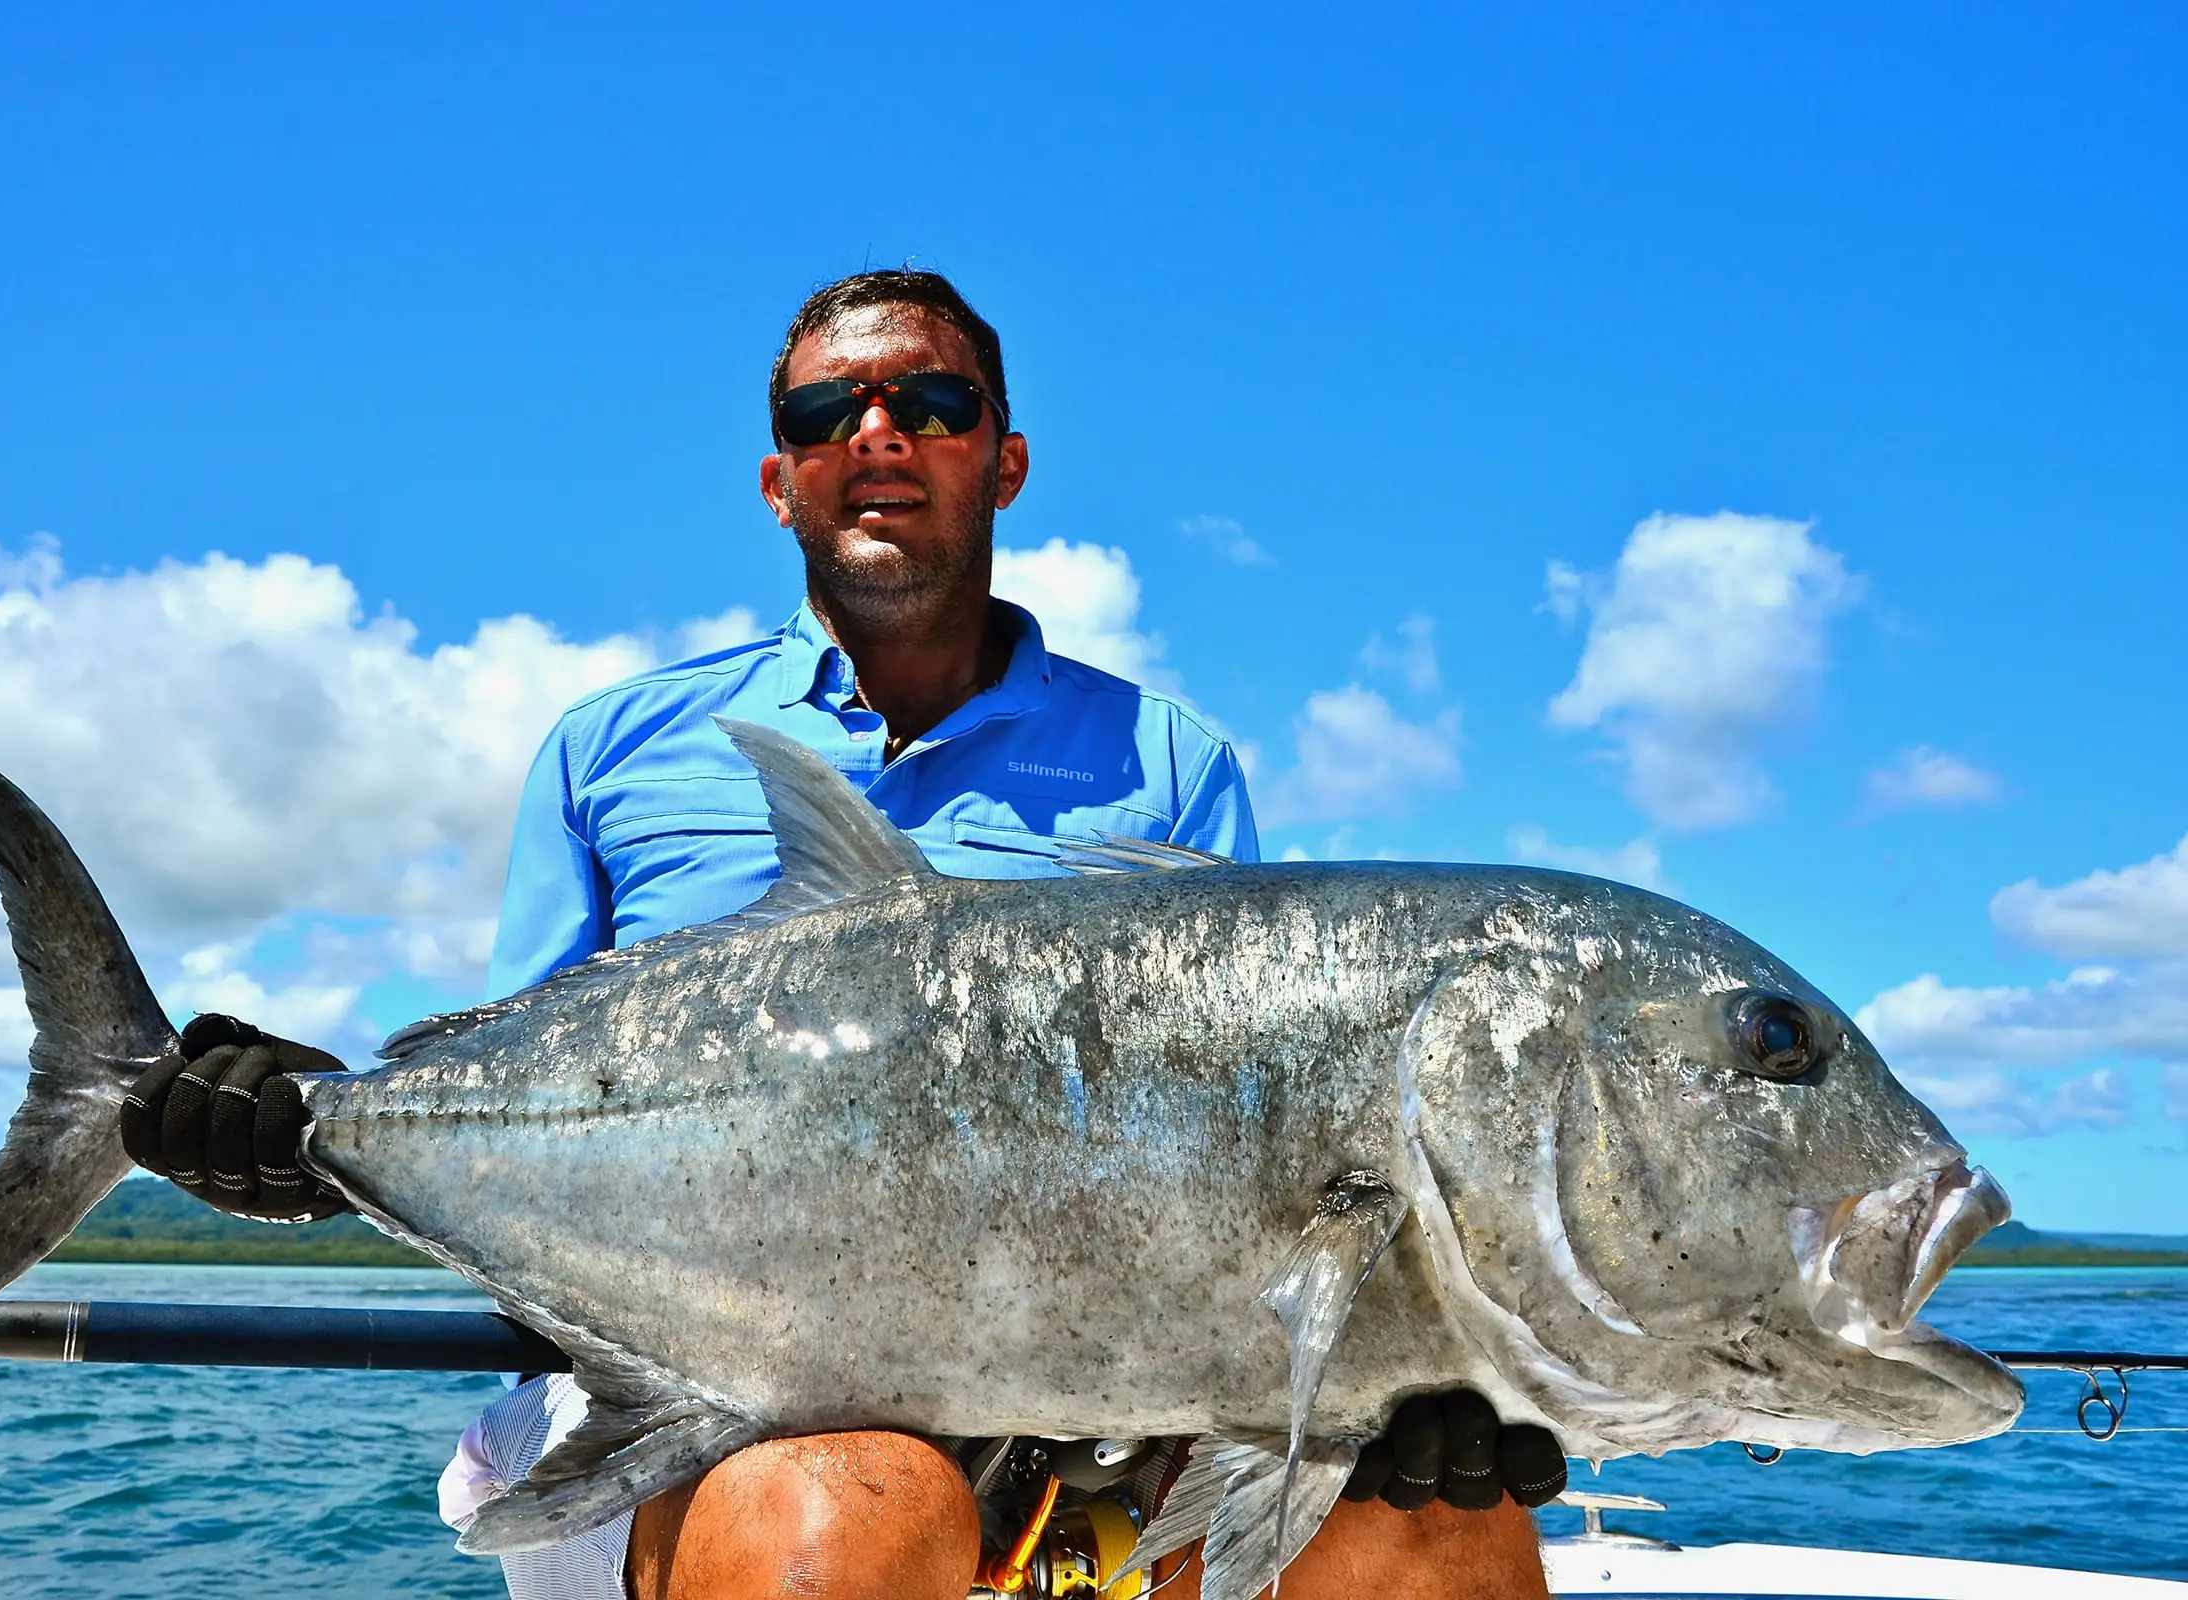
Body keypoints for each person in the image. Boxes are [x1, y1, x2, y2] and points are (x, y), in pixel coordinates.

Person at [124, 269, 1562, 1600]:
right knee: (854, 1508)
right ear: (779, 480)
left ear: (1003, 459)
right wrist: (315, 1140)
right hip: (698, 1403)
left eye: (933, 403)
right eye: (828, 412)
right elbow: (524, 1109)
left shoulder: (1166, 761)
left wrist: (1410, 1362)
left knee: (1447, 1533)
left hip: (1091, 1423)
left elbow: (1258, 1161)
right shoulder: (613, 748)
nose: (879, 432)